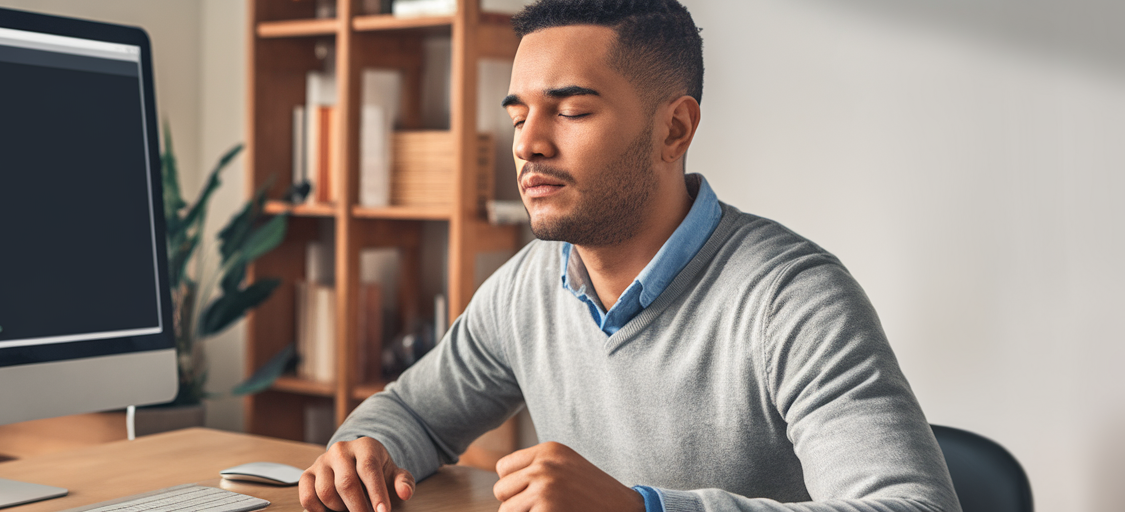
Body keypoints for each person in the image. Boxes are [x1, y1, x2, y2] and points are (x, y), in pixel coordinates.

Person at [297, 1, 961, 511]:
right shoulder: (529, 285)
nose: (528, 145)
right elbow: (412, 411)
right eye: (518, 116)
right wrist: (369, 452)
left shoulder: (792, 299)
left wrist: (643, 508)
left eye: (572, 112)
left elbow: (912, 505)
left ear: (674, 128)